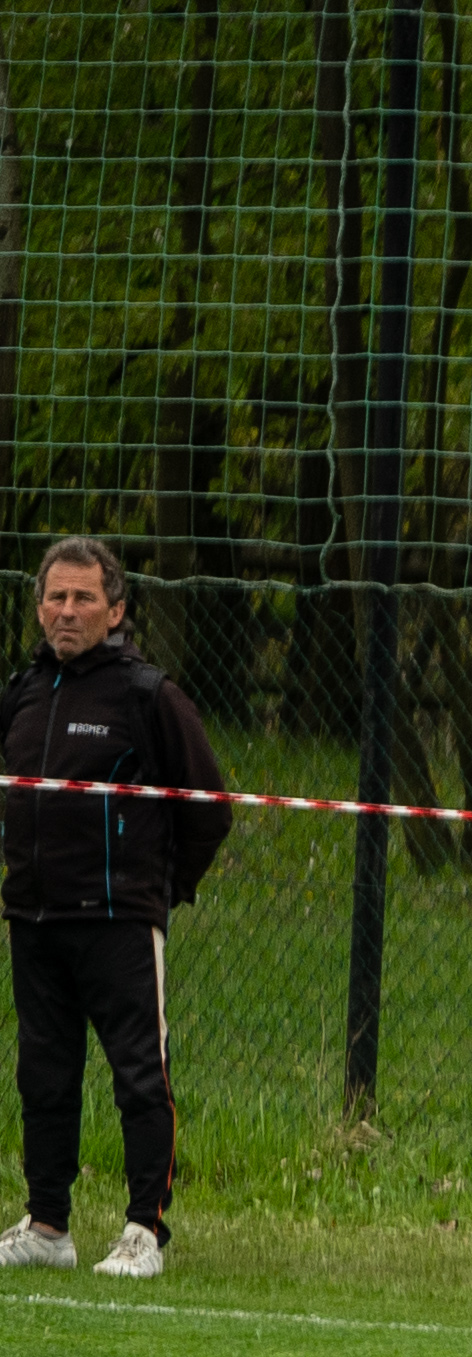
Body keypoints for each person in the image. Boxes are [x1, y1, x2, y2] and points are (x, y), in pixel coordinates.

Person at [0, 539, 229, 1280]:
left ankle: (143, 1231)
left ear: (117, 609)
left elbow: (209, 808)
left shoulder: (147, 695)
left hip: (118, 922)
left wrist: (158, 891)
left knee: (139, 1076)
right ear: (39, 608)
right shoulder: (23, 692)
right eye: (56, 598)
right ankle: (47, 1225)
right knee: (43, 1076)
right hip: (33, 919)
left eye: (84, 598)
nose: (68, 612)